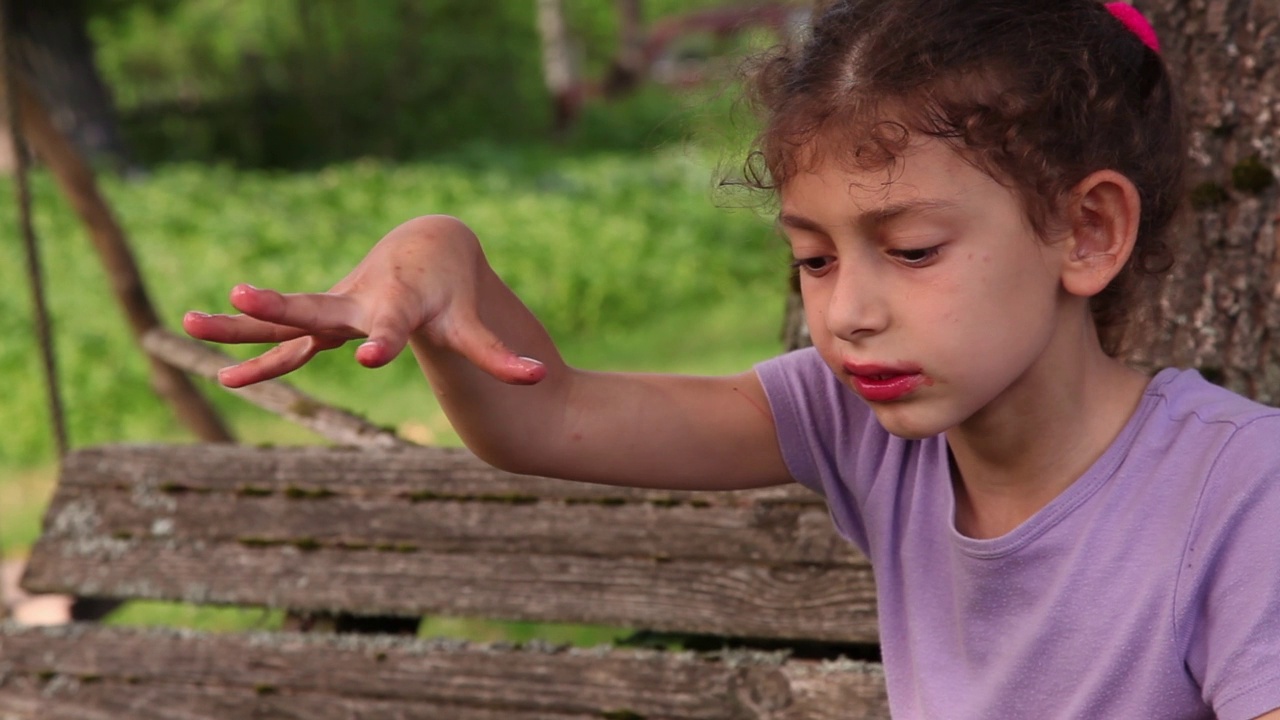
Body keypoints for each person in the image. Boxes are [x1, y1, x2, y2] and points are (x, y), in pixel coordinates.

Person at [184, 1, 1280, 717]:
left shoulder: (1236, 491)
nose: (844, 314)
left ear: (1084, 232)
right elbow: (542, 419)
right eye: (811, 259)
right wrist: (437, 257)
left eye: (909, 250)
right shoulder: (858, 423)